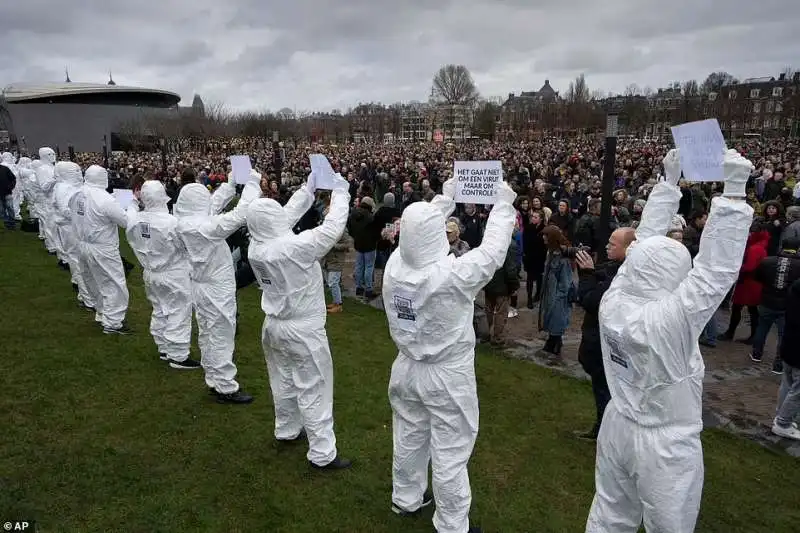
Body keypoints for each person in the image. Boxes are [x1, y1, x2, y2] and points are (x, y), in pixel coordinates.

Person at [585, 148, 754, 533]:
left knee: (609, 514)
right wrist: (733, 193)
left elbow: (641, 247)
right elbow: (715, 272)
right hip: (665, 443)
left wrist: (668, 184)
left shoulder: (614, 301)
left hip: (619, 425)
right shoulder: (671, 320)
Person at [383, 177, 518, 533]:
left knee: (409, 436)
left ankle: (407, 498)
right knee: (450, 450)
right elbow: (491, 253)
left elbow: (417, 231)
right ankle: (453, 522)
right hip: (446, 375)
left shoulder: (396, 266)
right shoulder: (451, 275)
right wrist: (503, 206)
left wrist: (445, 199)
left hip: (406, 368)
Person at [246, 171, 353, 470]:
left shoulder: (257, 246)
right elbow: (331, 229)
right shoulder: (294, 248)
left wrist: (307, 191)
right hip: (303, 329)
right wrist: (341, 193)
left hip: (274, 326)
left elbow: (280, 219)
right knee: (314, 388)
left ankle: (287, 428)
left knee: (282, 382)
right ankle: (322, 452)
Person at [174, 171, 261, 404]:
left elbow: (212, 205)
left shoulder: (183, 222)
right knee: (221, 334)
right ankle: (225, 386)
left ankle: (213, 377)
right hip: (216, 287)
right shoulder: (207, 227)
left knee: (207, 332)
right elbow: (240, 214)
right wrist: (252, 183)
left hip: (200, 285)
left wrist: (232, 181)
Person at [125, 181, 200, 369]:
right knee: (178, 311)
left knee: (160, 308)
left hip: (150, 272)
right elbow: (185, 246)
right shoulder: (172, 223)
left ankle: (163, 347)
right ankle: (178, 355)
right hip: (173, 273)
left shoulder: (135, 220)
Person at [574, 227, 636, 441]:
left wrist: (587, 274)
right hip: (600, 342)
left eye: (613, 243)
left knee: (605, 392)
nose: (607, 246)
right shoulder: (618, 268)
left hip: (606, 345)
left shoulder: (624, 276)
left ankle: (604, 433)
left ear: (629, 248)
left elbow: (592, 301)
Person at [73, 165, 131, 334]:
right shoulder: (105, 199)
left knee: (93, 281)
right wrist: (130, 205)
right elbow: (126, 221)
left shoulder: (78, 193)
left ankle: (103, 312)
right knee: (113, 283)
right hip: (102, 247)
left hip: (82, 243)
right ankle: (113, 323)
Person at [751, 236, 800, 374]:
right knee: (783, 334)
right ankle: (778, 364)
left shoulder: (767, 261)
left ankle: (756, 353)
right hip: (787, 305)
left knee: (762, 327)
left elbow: (758, 277)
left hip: (767, 300)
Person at [537, 225, 573, 360]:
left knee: (557, 320)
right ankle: (553, 342)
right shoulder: (551, 253)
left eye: (546, 236)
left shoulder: (563, 259)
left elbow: (566, 282)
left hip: (558, 297)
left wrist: (558, 296)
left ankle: (555, 344)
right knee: (551, 319)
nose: (543, 238)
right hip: (550, 293)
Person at [771, 278, 800, 440]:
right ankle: (783, 423)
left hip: (789, 342)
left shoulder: (794, 287)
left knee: (787, 383)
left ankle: (781, 416)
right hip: (797, 347)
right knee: (797, 389)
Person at [483, 237, 520, 347]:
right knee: (500, 313)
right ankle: (497, 338)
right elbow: (511, 269)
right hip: (502, 285)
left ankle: (486, 334)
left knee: (488, 310)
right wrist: (514, 286)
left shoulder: (489, 242)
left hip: (489, 282)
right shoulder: (510, 246)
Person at [0, 158, 16, 230]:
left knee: (10, 208)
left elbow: (13, 178)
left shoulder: (5, 169)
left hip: (7, 192)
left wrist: (10, 187)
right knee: (1, 210)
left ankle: (12, 222)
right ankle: (6, 222)